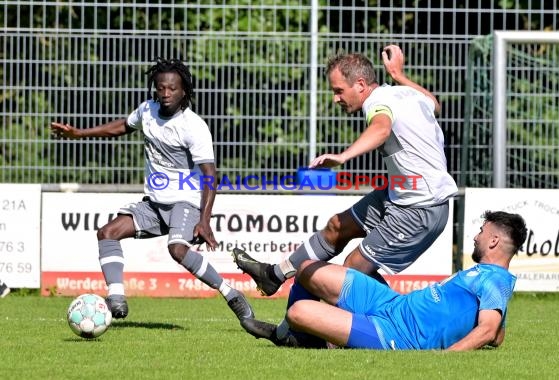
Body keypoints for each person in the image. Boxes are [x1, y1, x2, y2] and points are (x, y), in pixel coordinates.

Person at [232, 45, 457, 338]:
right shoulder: (402, 92)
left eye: (339, 90)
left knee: (352, 269)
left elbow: (381, 129)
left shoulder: (376, 104)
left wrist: (343, 156)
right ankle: (274, 276)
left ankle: (311, 333)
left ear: (361, 85)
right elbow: (434, 103)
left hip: (421, 207)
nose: (336, 98)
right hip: (401, 193)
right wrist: (398, 74)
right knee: (338, 227)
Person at [50, 58, 254, 322]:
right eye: (161, 88)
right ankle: (116, 299)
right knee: (107, 233)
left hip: (186, 201)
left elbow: (210, 175)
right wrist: (80, 134)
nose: (166, 94)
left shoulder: (193, 126)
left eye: (172, 89)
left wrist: (204, 219)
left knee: (177, 249)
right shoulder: (147, 111)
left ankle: (230, 293)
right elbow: (123, 126)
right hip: (155, 203)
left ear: (184, 91)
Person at [241, 210, 527, 351]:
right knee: (307, 268)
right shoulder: (491, 279)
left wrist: (447, 357)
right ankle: (303, 336)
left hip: (395, 334)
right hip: (392, 303)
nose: (476, 236)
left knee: (297, 312)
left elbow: (489, 331)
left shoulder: (495, 282)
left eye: (481, 231)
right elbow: (497, 334)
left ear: (493, 241)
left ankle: (291, 337)